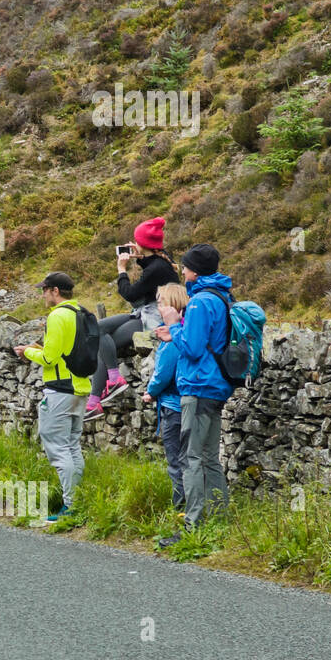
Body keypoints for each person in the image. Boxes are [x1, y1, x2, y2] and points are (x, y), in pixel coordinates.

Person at [154, 244, 234, 548]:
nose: (182, 271)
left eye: (185, 266)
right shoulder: (221, 296)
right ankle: (219, 519)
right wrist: (174, 332)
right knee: (210, 458)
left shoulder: (200, 302)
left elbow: (193, 349)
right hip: (216, 387)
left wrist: (174, 324)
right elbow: (201, 340)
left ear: (195, 270)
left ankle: (193, 525)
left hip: (198, 387)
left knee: (190, 458)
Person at [13, 272, 90, 521]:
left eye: (44, 290)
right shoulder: (81, 313)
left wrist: (28, 352)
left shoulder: (57, 316)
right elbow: (64, 350)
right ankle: (78, 501)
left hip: (59, 389)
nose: (42, 295)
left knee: (58, 448)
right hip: (80, 387)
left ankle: (70, 506)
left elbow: (50, 359)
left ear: (55, 291)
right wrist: (40, 349)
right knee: (72, 445)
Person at [85, 217, 180, 419]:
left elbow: (130, 293)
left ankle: (111, 382)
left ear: (143, 244)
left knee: (102, 336)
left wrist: (121, 270)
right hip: (144, 311)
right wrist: (139, 255)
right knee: (99, 329)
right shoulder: (161, 260)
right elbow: (151, 263)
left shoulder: (156, 269)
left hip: (153, 317)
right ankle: (99, 395)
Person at [142, 284, 189, 510]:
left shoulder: (173, 336)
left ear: (171, 304)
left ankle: (181, 509)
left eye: (160, 302)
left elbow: (164, 372)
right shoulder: (186, 330)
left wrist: (150, 392)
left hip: (173, 406)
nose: (158, 307)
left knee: (176, 461)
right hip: (184, 405)